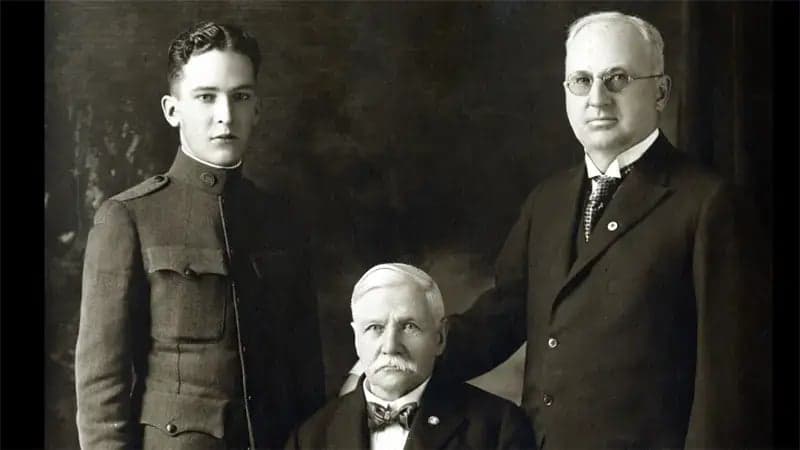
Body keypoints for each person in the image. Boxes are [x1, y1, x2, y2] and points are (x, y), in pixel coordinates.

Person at [339, 11, 771, 449]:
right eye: (581, 81)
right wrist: (388, 358)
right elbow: (499, 320)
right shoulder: (548, 201)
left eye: (617, 78)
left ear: (660, 92)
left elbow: (727, 386)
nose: (597, 99)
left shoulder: (707, 204)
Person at [75, 21, 325, 449]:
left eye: (240, 97)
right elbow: (101, 387)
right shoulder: (129, 218)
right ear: (173, 111)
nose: (226, 115)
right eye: (206, 97)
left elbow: (306, 374)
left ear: (257, 109)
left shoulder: (282, 220)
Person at [288, 263, 537, 450]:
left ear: (440, 338)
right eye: (375, 327)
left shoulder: (498, 427)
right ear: (356, 338)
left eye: (409, 327)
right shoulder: (310, 439)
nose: (390, 346)